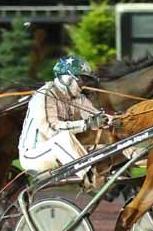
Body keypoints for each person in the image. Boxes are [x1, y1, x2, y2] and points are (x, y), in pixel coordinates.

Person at [18, 55, 109, 184]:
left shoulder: (78, 98)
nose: (84, 86)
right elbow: (51, 129)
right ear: (67, 78)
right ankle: (90, 178)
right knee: (63, 137)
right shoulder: (44, 95)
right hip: (34, 157)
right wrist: (87, 124)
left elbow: (95, 116)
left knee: (108, 148)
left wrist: (116, 119)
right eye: (82, 80)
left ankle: (139, 162)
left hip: (63, 154)